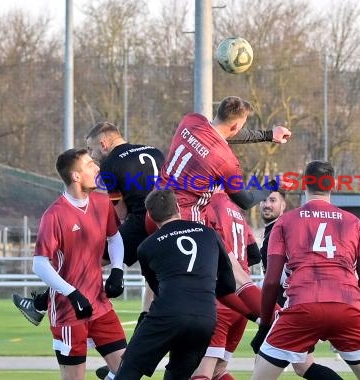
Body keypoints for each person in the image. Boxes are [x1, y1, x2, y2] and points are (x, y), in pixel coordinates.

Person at [13, 122, 164, 324]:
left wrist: (111, 236)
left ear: (103, 143)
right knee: (157, 276)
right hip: (165, 218)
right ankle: (147, 322)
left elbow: (120, 212)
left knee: (86, 262)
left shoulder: (110, 164)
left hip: (140, 221)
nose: (92, 157)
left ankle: (39, 304)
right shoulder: (155, 152)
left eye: (91, 149)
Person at [251, 160, 360, 380]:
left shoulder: (285, 223)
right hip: (346, 306)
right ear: (334, 185)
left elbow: (272, 281)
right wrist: (349, 304)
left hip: (302, 307)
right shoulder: (354, 222)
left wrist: (264, 324)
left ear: (305, 184)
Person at [115, 189, 236, 380]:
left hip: (168, 314)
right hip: (205, 317)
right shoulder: (209, 234)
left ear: (150, 215)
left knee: (129, 368)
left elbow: (157, 289)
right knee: (178, 375)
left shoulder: (146, 246)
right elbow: (229, 284)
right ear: (178, 207)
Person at [32, 148, 127, 380]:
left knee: (127, 372)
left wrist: (117, 270)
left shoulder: (102, 203)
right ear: (75, 176)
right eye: (89, 165)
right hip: (68, 312)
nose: (97, 168)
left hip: (100, 306)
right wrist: (72, 294)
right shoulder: (54, 215)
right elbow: (40, 264)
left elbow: (114, 238)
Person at [159, 96, 288, 223]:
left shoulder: (191, 120)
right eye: (241, 126)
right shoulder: (225, 160)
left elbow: (221, 132)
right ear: (236, 126)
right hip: (182, 220)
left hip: (155, 208)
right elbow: (246, 201)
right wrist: (273, 185)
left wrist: (269, 135)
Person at [191, 192, 261, 380]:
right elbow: (254, 254)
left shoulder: (208, 205)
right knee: (218, 371)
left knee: (200, 371)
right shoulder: (236, 210)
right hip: (243, 302)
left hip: (221, 299)